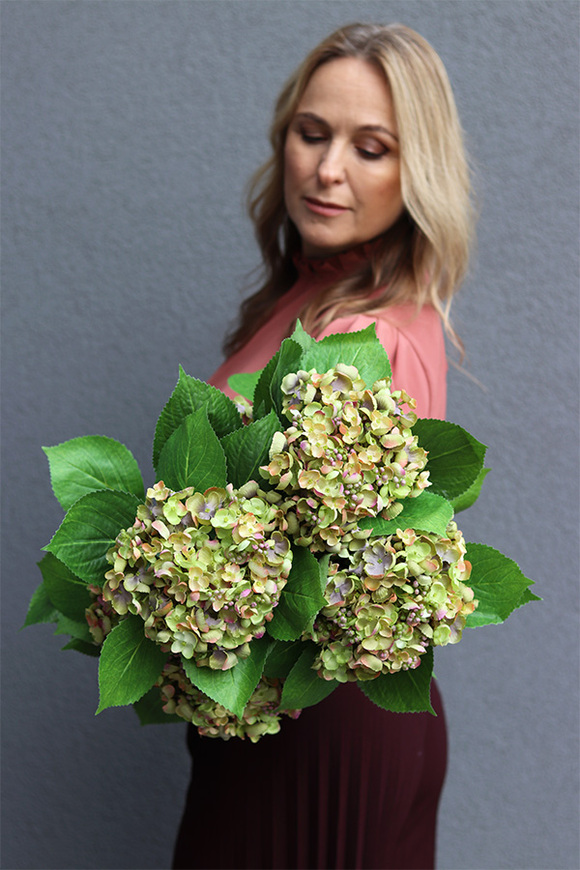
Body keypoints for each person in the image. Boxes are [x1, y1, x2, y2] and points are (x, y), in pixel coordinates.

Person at [173, 21, 474, 870]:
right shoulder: (313, 293)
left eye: (370, 147)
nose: (328, 169)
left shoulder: (367, 337)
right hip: (289, 725)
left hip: (323, 724)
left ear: (419, 171)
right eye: (312, 134)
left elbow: (331, 583)